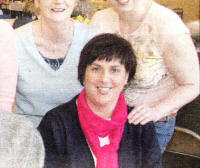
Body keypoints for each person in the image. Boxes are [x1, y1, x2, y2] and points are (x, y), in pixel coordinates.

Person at [90, 0, 199, 152]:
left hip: (152, 125)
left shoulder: (166, 24)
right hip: (109, 120)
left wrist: (156, 111)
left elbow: (193, 84)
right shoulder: (100, 20)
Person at [38, 33, 162, 168]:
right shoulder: (56, 123)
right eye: (96, 69)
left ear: (127, 76)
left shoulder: (140, 124)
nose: (104, 79)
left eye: (114, 70)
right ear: (83, 73)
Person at [14, 0, 100, 126]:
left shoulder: (94, 40)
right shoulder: (15, 41)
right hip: (29, 136)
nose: (58, 0)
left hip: (78, 136)